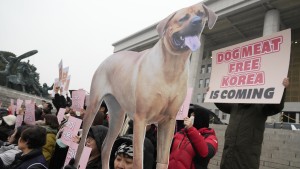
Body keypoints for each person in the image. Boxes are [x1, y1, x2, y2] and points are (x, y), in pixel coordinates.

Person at [214, 78, 289, 169]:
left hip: (246, 162)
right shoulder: (235, 106)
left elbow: (276, 106)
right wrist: (212, 93)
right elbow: (222, 104)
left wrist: (282, 89)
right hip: (228, 159)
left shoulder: (261, 106)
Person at [168, 105, 218, 169]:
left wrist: (191, 129)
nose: (190, 118)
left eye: (193, 116)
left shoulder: (210, 137)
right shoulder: (181, 133)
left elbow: (205, 153)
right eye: (191, 115)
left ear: (200, 118)